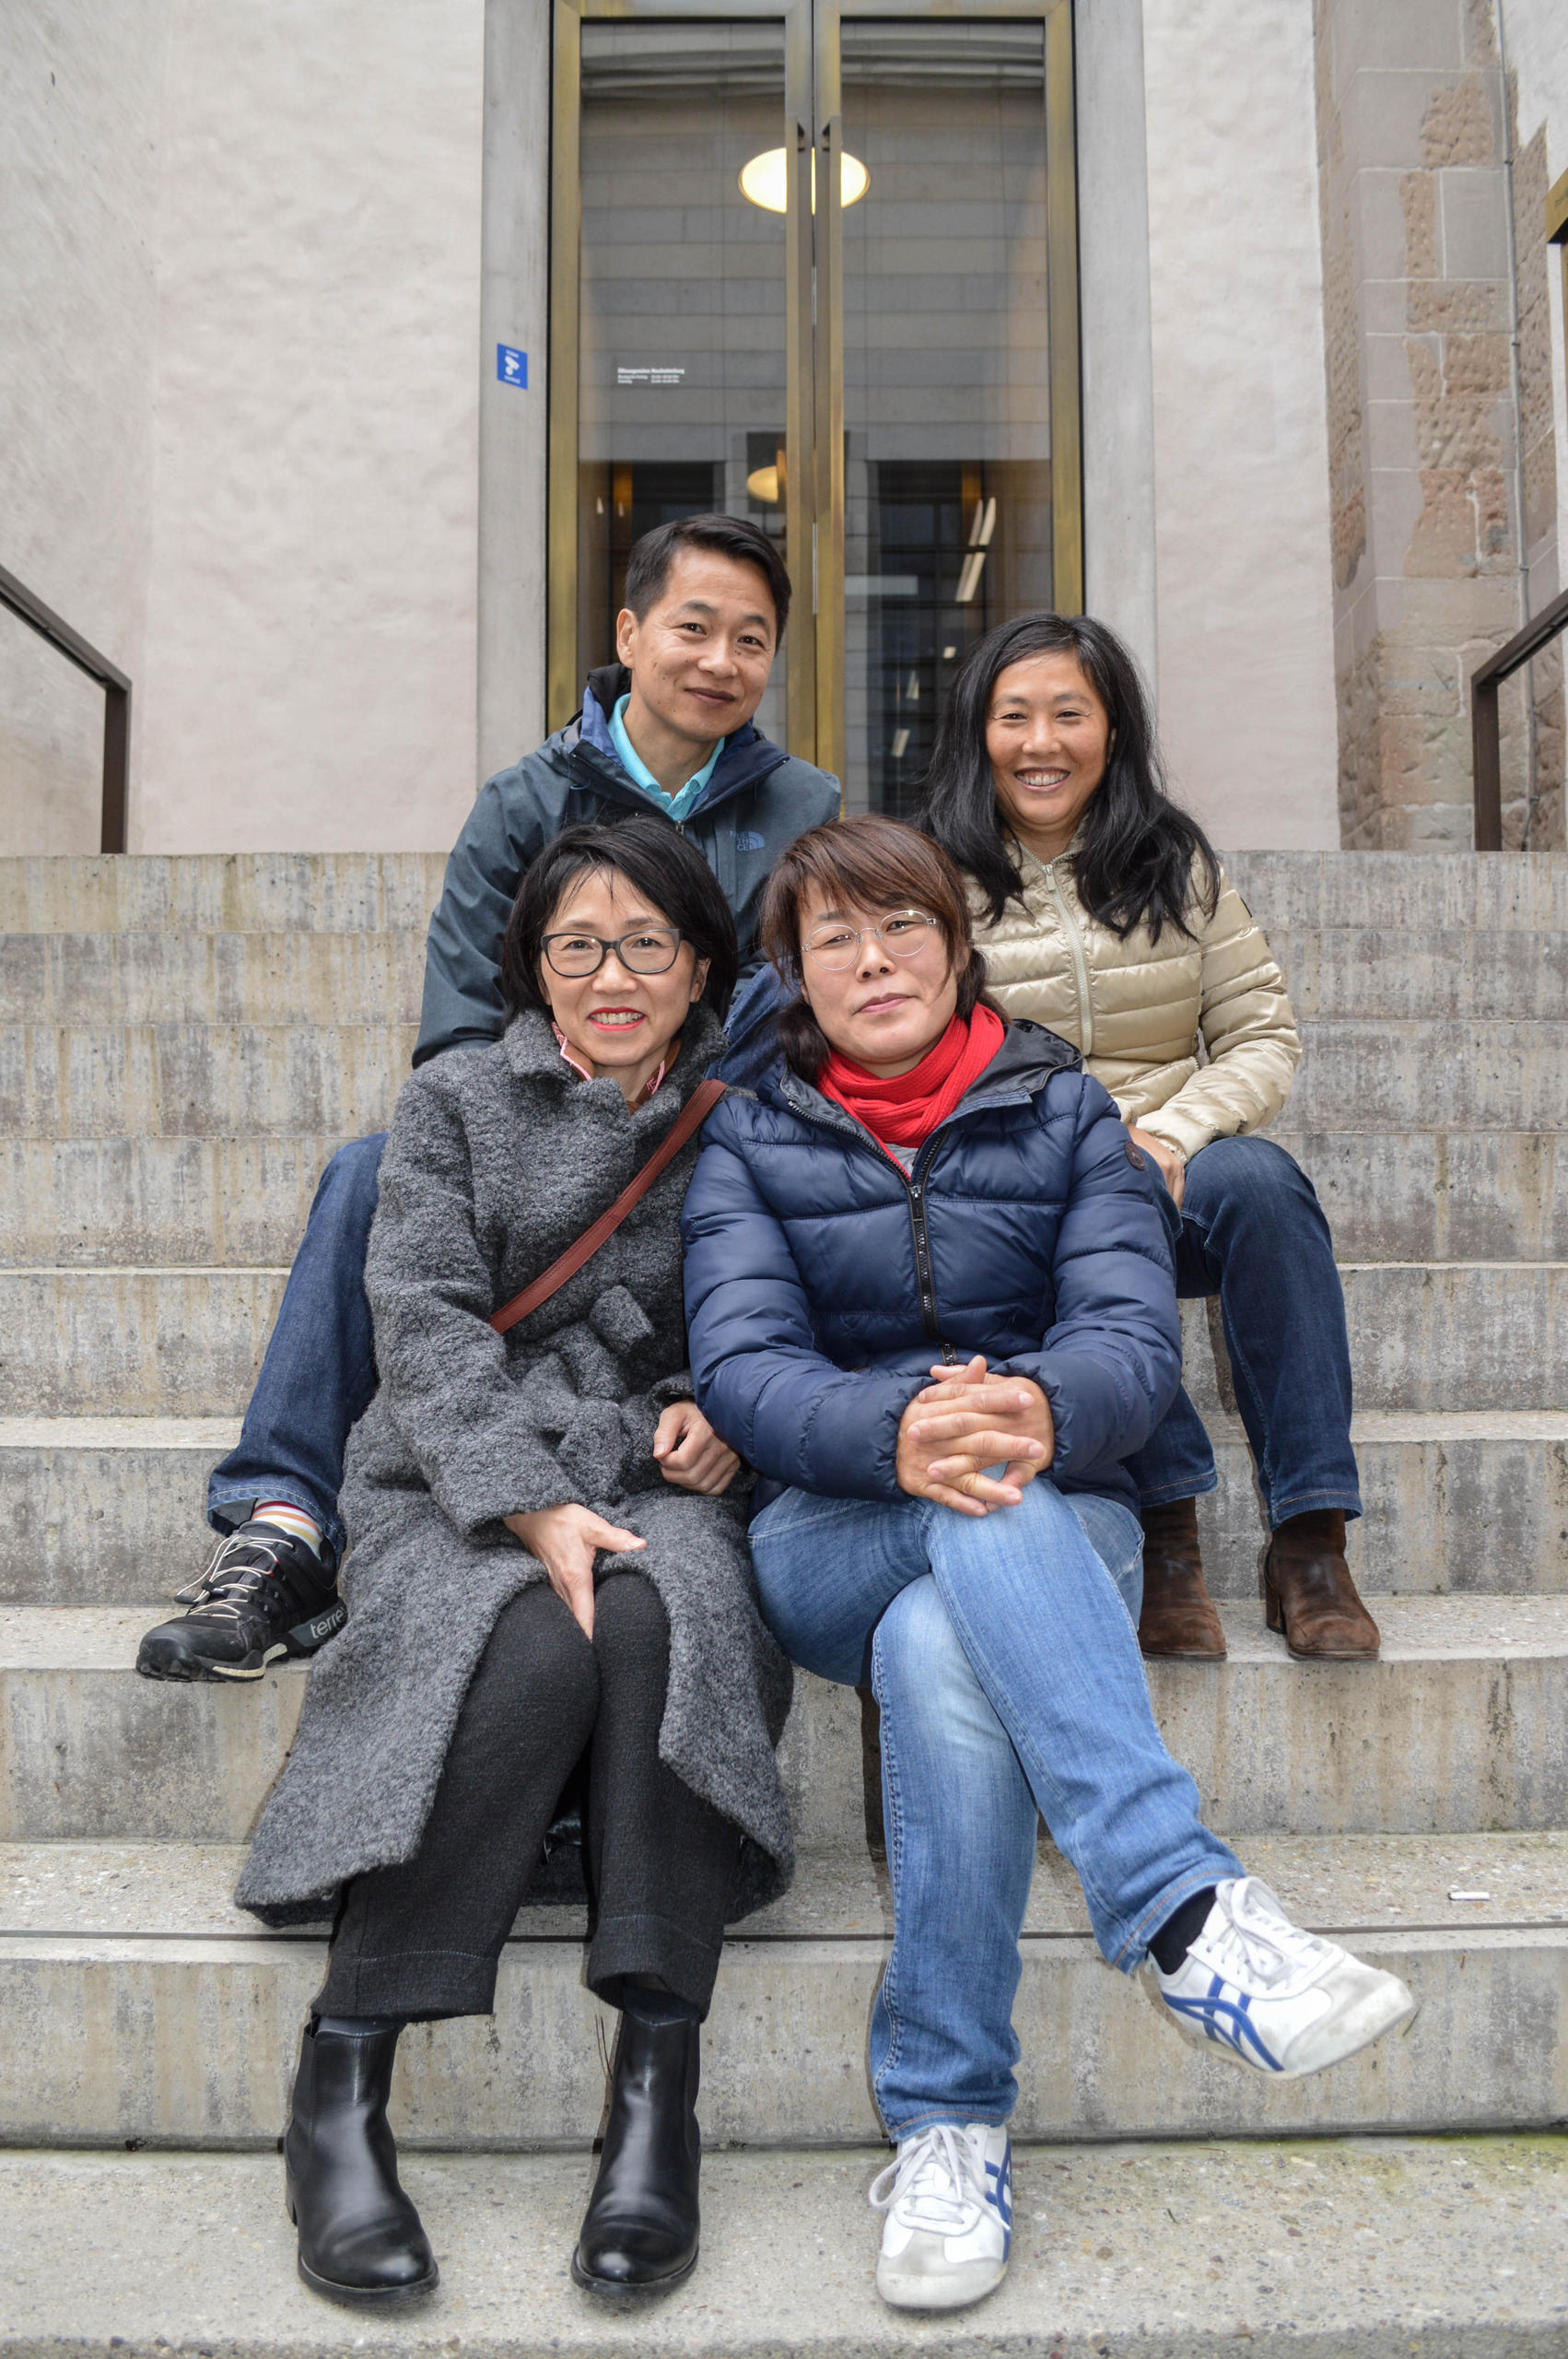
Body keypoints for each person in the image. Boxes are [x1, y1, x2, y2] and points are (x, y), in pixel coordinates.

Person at [680, 815, 1414, 2316]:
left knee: (949, 1647)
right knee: (973, 1504)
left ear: (957, 947)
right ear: (793, 974)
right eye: (835, 939)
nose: (871, 960)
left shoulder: (1067, 1112)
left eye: (901, 928)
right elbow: (745, 1369)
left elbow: (1132, 1345)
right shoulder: (744, 1133)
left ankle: (949, 2123)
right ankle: (1180, 1906)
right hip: (827, 1523)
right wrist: (903, 1426)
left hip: (1043, 1496)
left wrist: (1030, 1404)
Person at [236, 817, 792, 2306]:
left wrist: (710, 1415)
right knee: (536, 1639)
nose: (612, 975)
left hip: (645, 1469)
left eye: (645, 946)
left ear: (701, 969)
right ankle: (342, 2077)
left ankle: (653, 2090)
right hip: (449, 1476)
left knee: (662, 1621)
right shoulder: (453, 1102)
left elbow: (756, 1329)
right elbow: (418, 1322)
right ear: (533, 969)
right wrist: (527, 1503)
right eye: (577, 946)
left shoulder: (740, 1125)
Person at [135, 511, 838, 1685]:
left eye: (752, 640)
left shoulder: (803, 805)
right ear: (630, 630)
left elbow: (794, 1017)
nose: (721, 662)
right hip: (533, 1119)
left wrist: (668, 1111)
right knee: (372, 1170)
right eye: (694, 627)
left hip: (700, 1129)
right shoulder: (527, 799)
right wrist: (575, 1117)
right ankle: (284, 1525)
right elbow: (461, 1024)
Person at [919, 611, 1378, 1662]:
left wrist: (1172, 1132)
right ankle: (1168, 1530)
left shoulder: (1175, 863)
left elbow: (1260, 1031)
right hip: (1034, 1182)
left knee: (1264, 1186)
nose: (1041, 743)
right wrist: (1078, 1151)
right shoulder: (934, 880)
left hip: (1181, 1160)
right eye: (1014, 717)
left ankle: (1309, 1537)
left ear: (1113, 731)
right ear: (975, 732)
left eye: (1069, 714)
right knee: (1058, 1218)